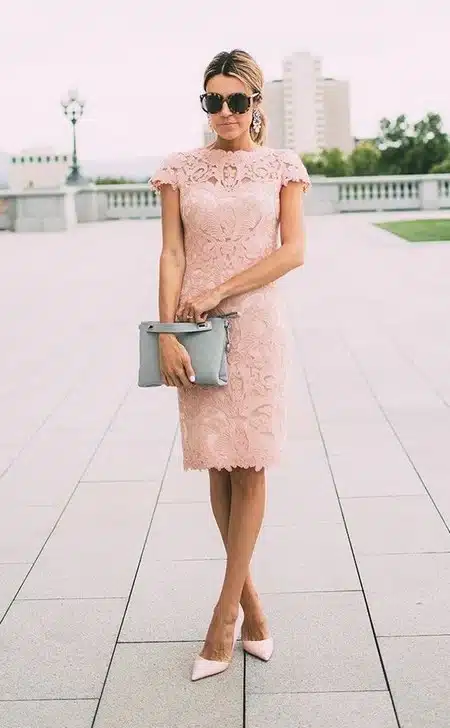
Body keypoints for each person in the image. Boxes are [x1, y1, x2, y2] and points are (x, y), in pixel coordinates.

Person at [150, 48, 310, 682]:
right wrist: (168, 333)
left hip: (257, 326)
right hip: (192, 330)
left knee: (250, 461)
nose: (223, 112)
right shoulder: (178, 170)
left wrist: (221, 290)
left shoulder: (281, 167)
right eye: (212, 101)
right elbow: (170, 254)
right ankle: (255, 610)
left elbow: (294, 250)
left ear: (256, 104)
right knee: (217, 465)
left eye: (235, 101)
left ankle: (222, 619)